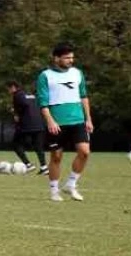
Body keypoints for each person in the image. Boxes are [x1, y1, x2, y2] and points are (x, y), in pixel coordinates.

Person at [36, 42, 93, 202]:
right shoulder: (45, 76)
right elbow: (43, 103)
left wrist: (88, 118)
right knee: (56, 157)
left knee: (84, 152)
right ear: (56, 58)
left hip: (78, 120)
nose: (70, 60)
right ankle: (54, 191)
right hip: (57, 123)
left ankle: (71, 184)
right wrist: (50, 121)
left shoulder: (77, 73)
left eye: (72, 57)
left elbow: (83, 96)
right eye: (67, 57)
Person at [6, 80, 47, 174]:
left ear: (13, 87)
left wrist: (16, 113)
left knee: (15, 144)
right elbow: (35, 106)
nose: (8, 91)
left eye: (8, 89)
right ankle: (44, 167)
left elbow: (24, 105)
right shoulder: (30, 95)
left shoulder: (17, 95)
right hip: (39, 124)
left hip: (27, 125)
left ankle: (28, 165)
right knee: (38, 146)